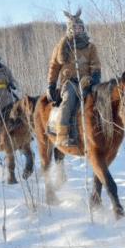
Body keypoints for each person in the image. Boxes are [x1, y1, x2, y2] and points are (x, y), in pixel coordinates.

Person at [46, 9, 101, 147]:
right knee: (69, 99)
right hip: (69, 82)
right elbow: (54, 66)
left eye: (80, 27)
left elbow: (96, 65)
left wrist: (94, 79)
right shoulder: (62, 46)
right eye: (75, 27)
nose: (78, 29)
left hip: (86, 81)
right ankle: (62, 133)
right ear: (70, 29)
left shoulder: (90, 47)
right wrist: (51, 85)